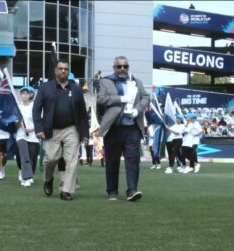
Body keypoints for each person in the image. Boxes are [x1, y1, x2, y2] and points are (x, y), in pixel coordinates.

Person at [33, 59, 89, 201]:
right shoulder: (45, 88)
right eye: (60, 68)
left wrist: (84, 133)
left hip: (72, 129)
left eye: (66, 69)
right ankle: (48, 179)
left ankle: (66, 191)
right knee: (50, 159)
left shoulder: (76, 88)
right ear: (55, 71)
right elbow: (36, 110)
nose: (63, 71)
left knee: (71, 161)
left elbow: (82, 112)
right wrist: (38, 128)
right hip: (51, 129)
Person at [97, 56, 150, 201]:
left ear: (128, 67)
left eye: (125, 66)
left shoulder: (136, 82)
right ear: (114, 68)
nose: (122, 69)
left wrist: (138, 109)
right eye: (119, 66)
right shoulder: (106, 81)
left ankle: (132, 190)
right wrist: (121, 99)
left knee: (133, 160)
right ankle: (112, 191)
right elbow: (100, 99)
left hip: (132, 127)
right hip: (113, 127)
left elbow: (146, 97)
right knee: (112, 161)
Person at [15, 86, 40, 187]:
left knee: (31, 157)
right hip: (21, 135)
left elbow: (39, 121)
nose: (24, 95)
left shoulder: (34, 106)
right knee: (24, 156)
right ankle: (26, 177)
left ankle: (30, 176)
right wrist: (18, 122)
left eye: (27, 93)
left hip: (33, 136)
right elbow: (14, 124)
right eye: (23, 93)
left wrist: (32, 129)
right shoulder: (17, 107)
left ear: (31, 95)